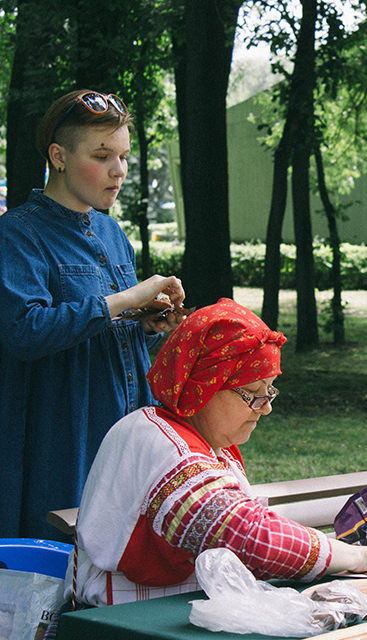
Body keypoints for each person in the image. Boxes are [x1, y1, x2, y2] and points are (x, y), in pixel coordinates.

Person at [70, 299, 367, 607]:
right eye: (253, 392)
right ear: (203, 386)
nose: (266, 408)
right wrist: (354, 556)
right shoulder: (157, 440)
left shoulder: (210, 445)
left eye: (270, 390)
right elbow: (242, 534)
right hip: (120, 624)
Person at [0, 91, 188, 539]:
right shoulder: (17, 234)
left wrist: (148, 326)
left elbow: (108, 334)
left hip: (128, 433)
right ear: (58, 157)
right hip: (60, 440)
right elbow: (24, 332)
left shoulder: (112, 232)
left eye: (123, 156)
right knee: (57, 572)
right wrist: (123, 300)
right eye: (102, 156)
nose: (118, 170)